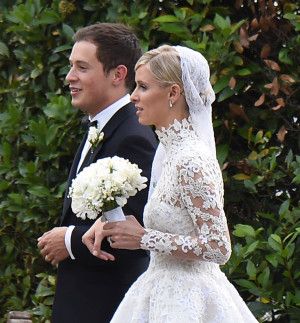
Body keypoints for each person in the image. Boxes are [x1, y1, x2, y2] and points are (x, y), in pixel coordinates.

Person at [82, 45, 259, 322]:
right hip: (157, 290)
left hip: (189, 300)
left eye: (142, 87)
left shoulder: (191, 159)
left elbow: (218, 247)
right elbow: (172, 219)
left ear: (173, 93)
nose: (133, 97)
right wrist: (111, 223)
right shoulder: (168, 152)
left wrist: (144, 238)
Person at [37, 23, 157, 323]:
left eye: (82, 67)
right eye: (70, 66)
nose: (69, 77)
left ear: (118, 75)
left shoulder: (133, 137)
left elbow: (134, 235)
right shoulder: (100, 126)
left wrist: (69, 240)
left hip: (106, 303)